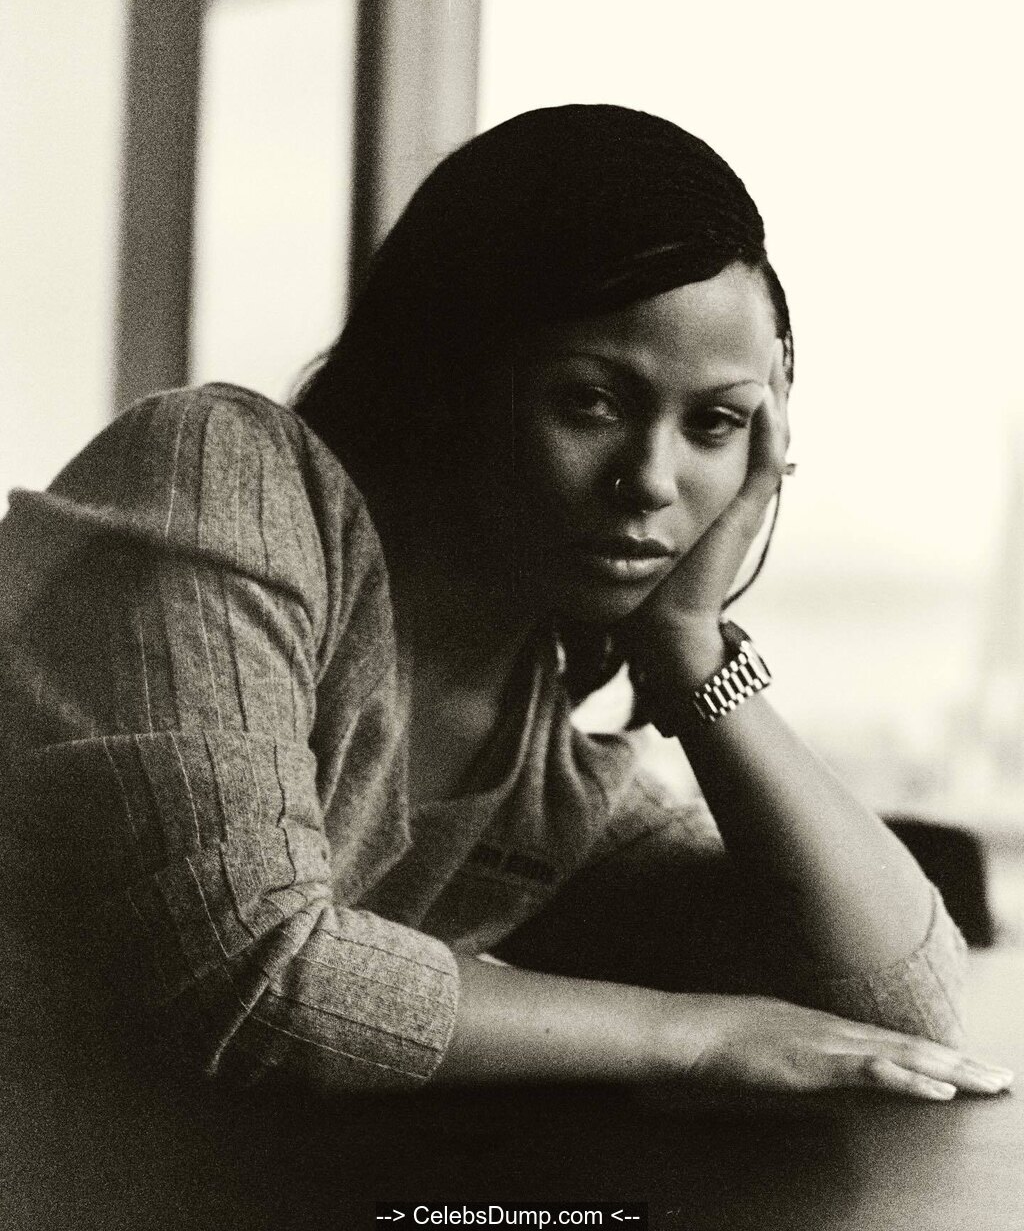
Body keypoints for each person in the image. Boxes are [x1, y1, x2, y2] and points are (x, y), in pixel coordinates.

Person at [0, 106, 1012, 1146]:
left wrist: (690, 646)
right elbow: (248, 972)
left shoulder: (536, 777)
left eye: (715, 423)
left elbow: (903, 1005)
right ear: (449, 377)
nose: (651, 481)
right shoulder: (218, 471)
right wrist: (693, 1034)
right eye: (592, 402)